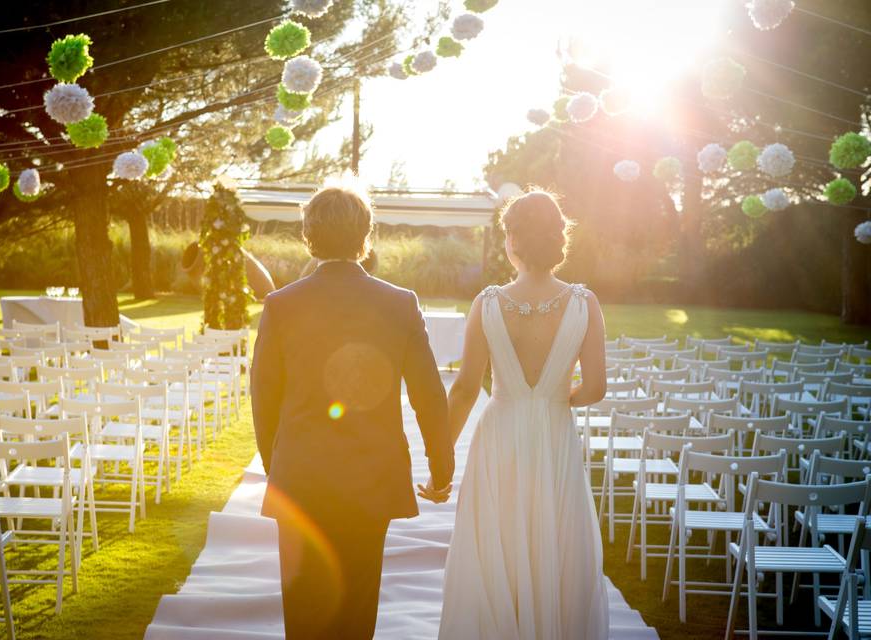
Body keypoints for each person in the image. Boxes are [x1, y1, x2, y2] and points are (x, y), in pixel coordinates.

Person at [250, 182, 454, 640]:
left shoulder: (281, 305)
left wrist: (275, 466)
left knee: (303, 611)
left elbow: (263, 397)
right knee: (358, 610)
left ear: (309, 236)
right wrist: (441, 469)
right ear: (367, 234)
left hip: (301, 477)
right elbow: (428, 394)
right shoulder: (400, 303)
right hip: (371, 477)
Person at [438, 189, 610, 639]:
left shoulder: (487, 303)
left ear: (512, 240)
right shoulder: (584, 303)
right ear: (558, 239)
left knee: (497, 545)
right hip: (554, 433)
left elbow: (464, 390)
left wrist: (441, 461)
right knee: (552, 544)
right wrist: (555, 399)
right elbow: (595, 388)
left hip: (500, 435)